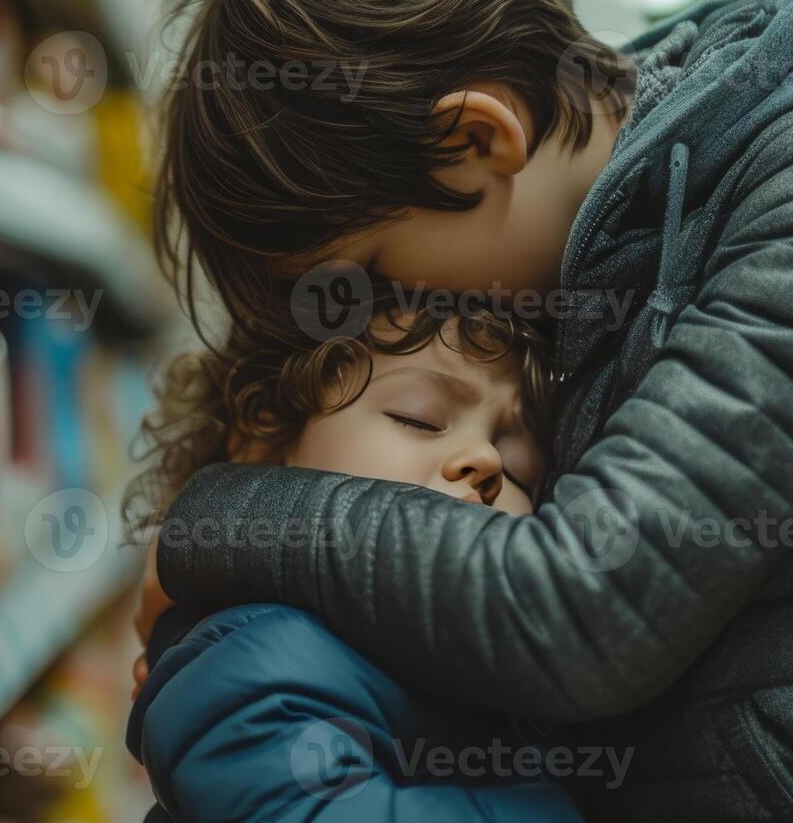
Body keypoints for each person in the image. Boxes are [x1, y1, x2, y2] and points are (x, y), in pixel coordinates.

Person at [135, 0, 793, 820]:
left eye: (369, 269)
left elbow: (588, 609)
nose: (382, 315)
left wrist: (215, 521)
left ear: (477, 137)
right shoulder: (590, 237)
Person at [126, 306, 587, 821]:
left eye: (521, 466)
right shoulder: (254, 674)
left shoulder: (478, 674)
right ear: (268, 444)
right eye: (418, 418)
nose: (487, 459)